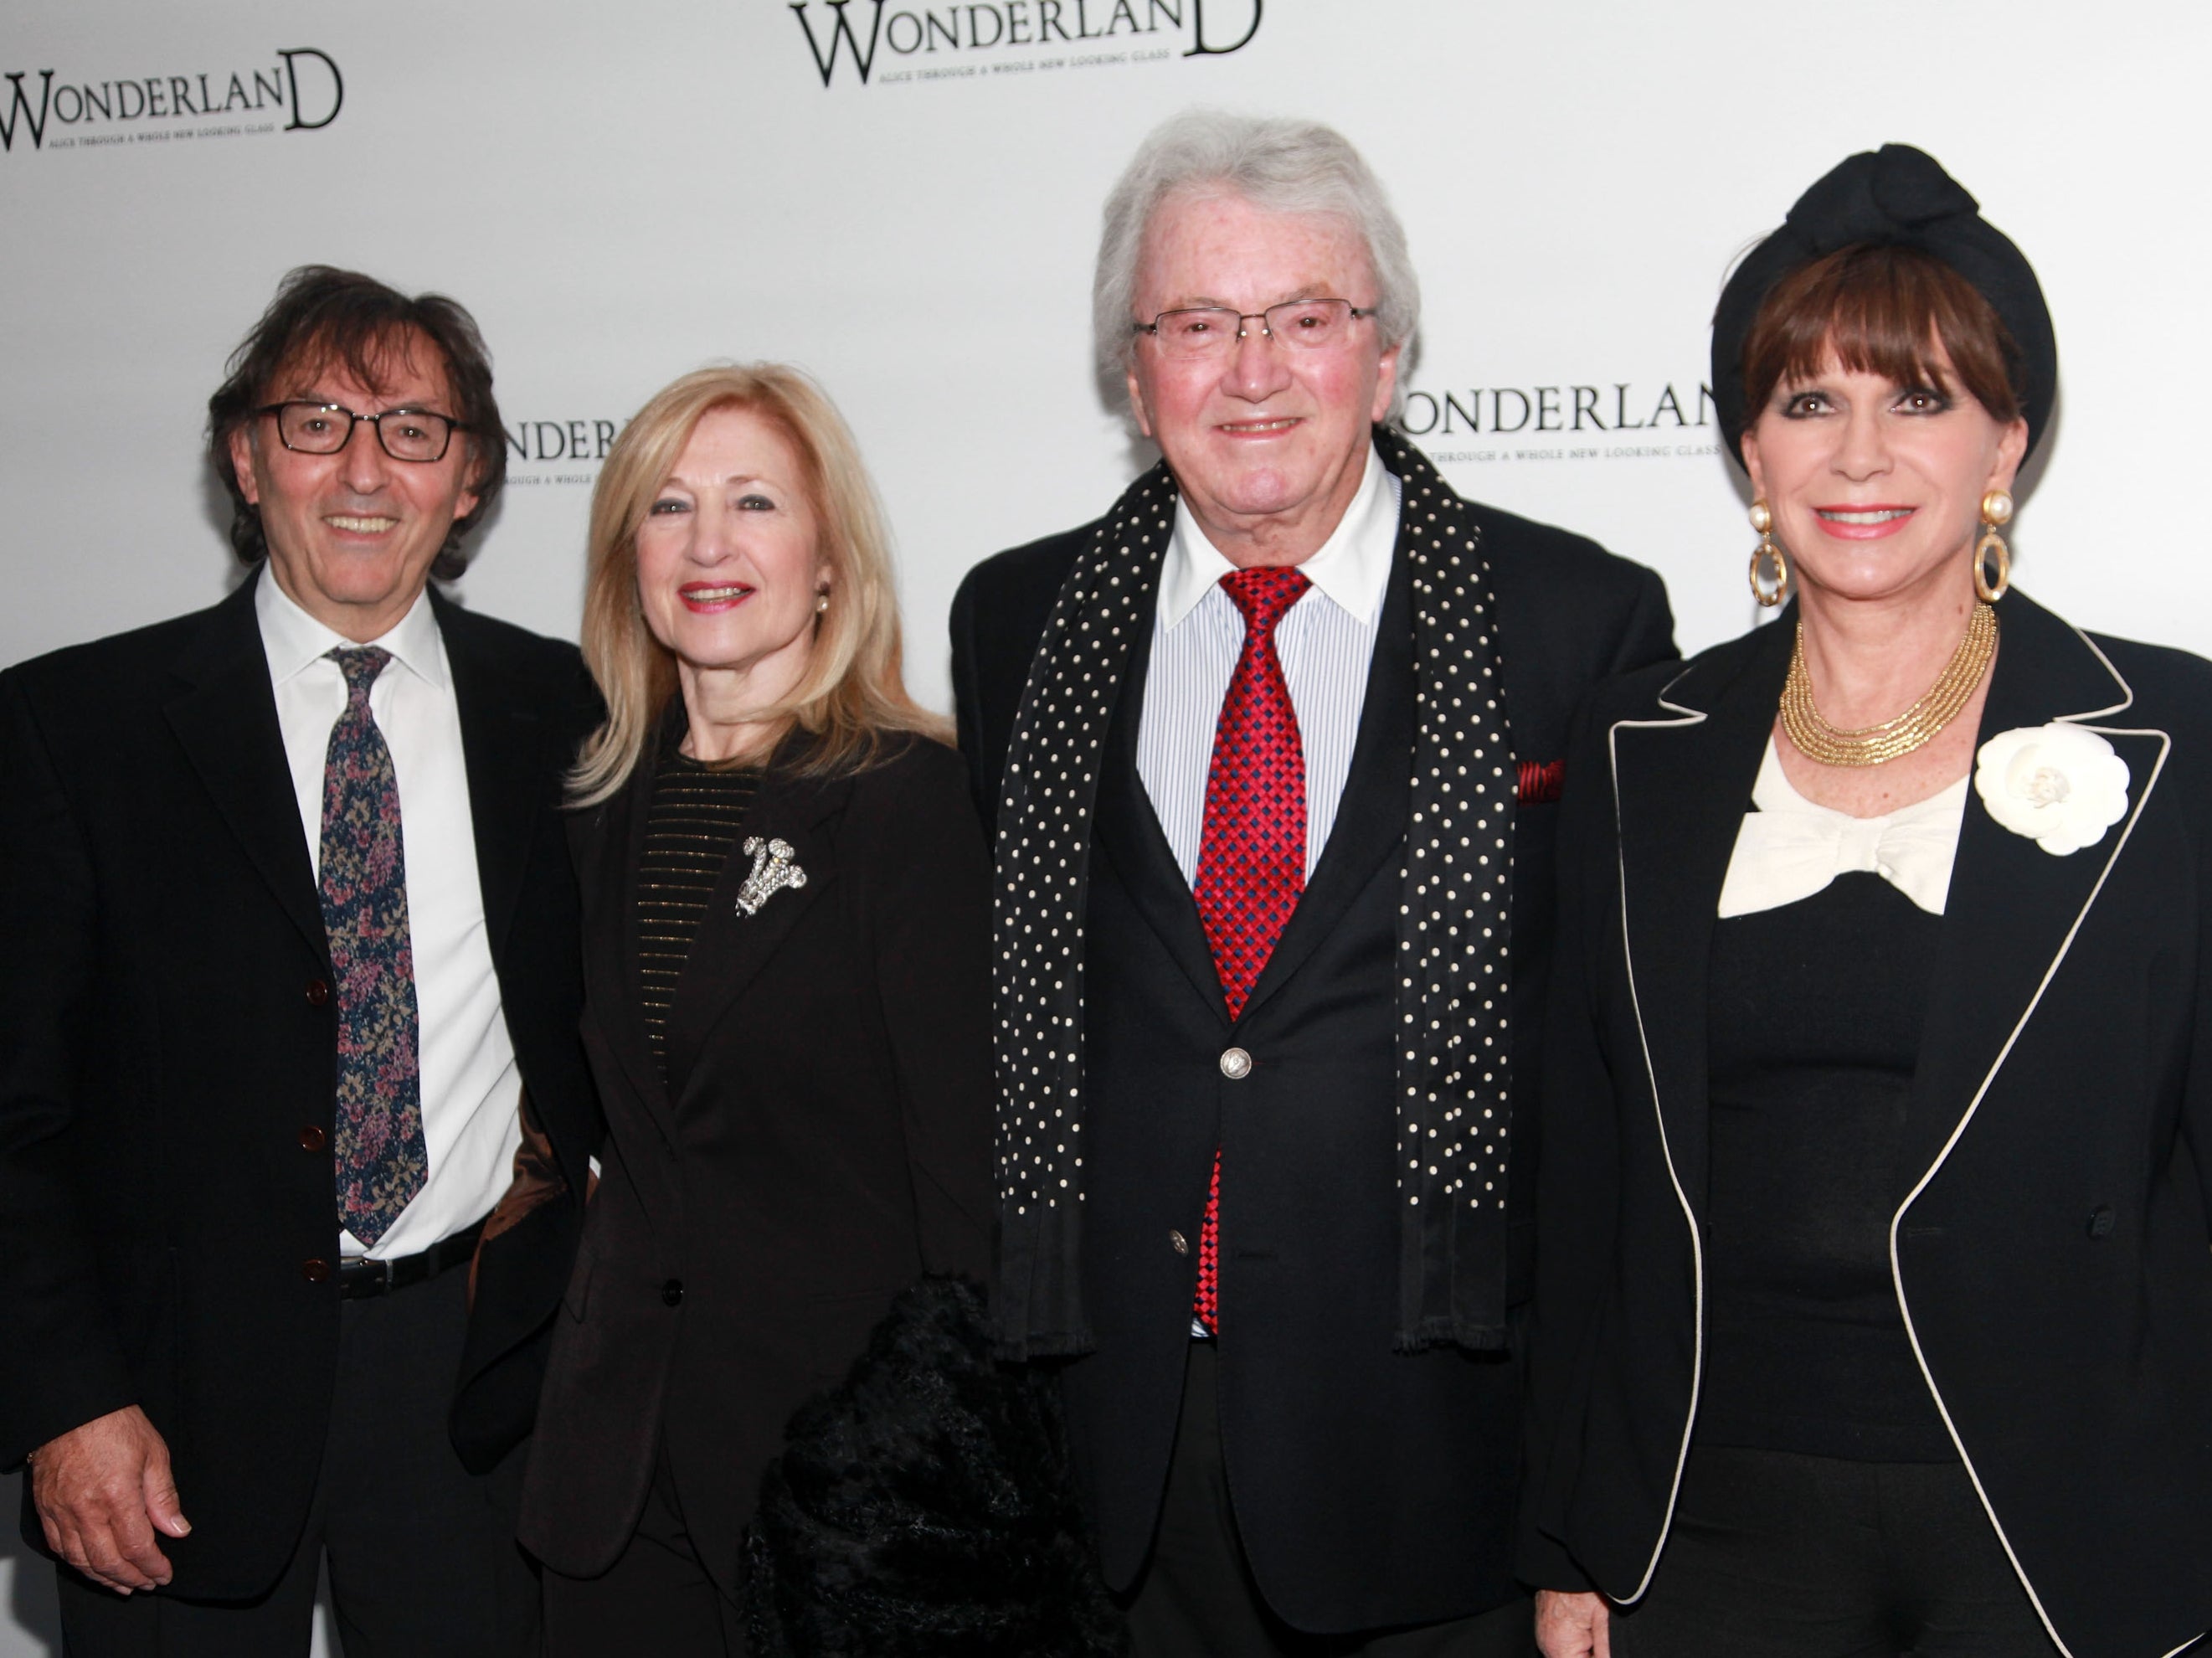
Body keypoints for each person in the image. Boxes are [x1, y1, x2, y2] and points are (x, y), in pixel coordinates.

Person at [951, 111, 1674, 1655]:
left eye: (1305, 319)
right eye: (1199, 324)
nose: (1254, 370)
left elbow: (1621, 1111)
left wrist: (1585, 1522)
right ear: (1134, 373)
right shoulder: (1015, 624)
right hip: (1107, 1464)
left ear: (1388, 356)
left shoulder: (1577, 627)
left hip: (1436, 1471)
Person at [1523, 144, 2212, 1658]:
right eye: (1806, 404)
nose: (1857, 457)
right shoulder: (1643, 749)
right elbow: (1587, 1175)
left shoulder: (2174, 741)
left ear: (2004, 447)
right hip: (1707, 1525)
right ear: (1750, 457)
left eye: (1918, 401)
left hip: (2054, 1525)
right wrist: (1572, 1532)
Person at [0, 265, 601, 1655]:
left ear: (468, 483)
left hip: (478, 1389)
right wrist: (62, 1402)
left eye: (412, 430)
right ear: (244, 454)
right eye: (318, 419)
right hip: (164, 1410)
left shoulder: (568, 712)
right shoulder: (72, 729)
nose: (363, 470)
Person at [516, 363, 995, 1654]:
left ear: (831, 557)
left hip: (845, 1484)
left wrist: (935, 1466)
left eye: (754, 503)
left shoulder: (914, 805)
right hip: (615, 1473)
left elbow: (968, 1194)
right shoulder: (591, 810)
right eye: (668, 507)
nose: (709, 544)